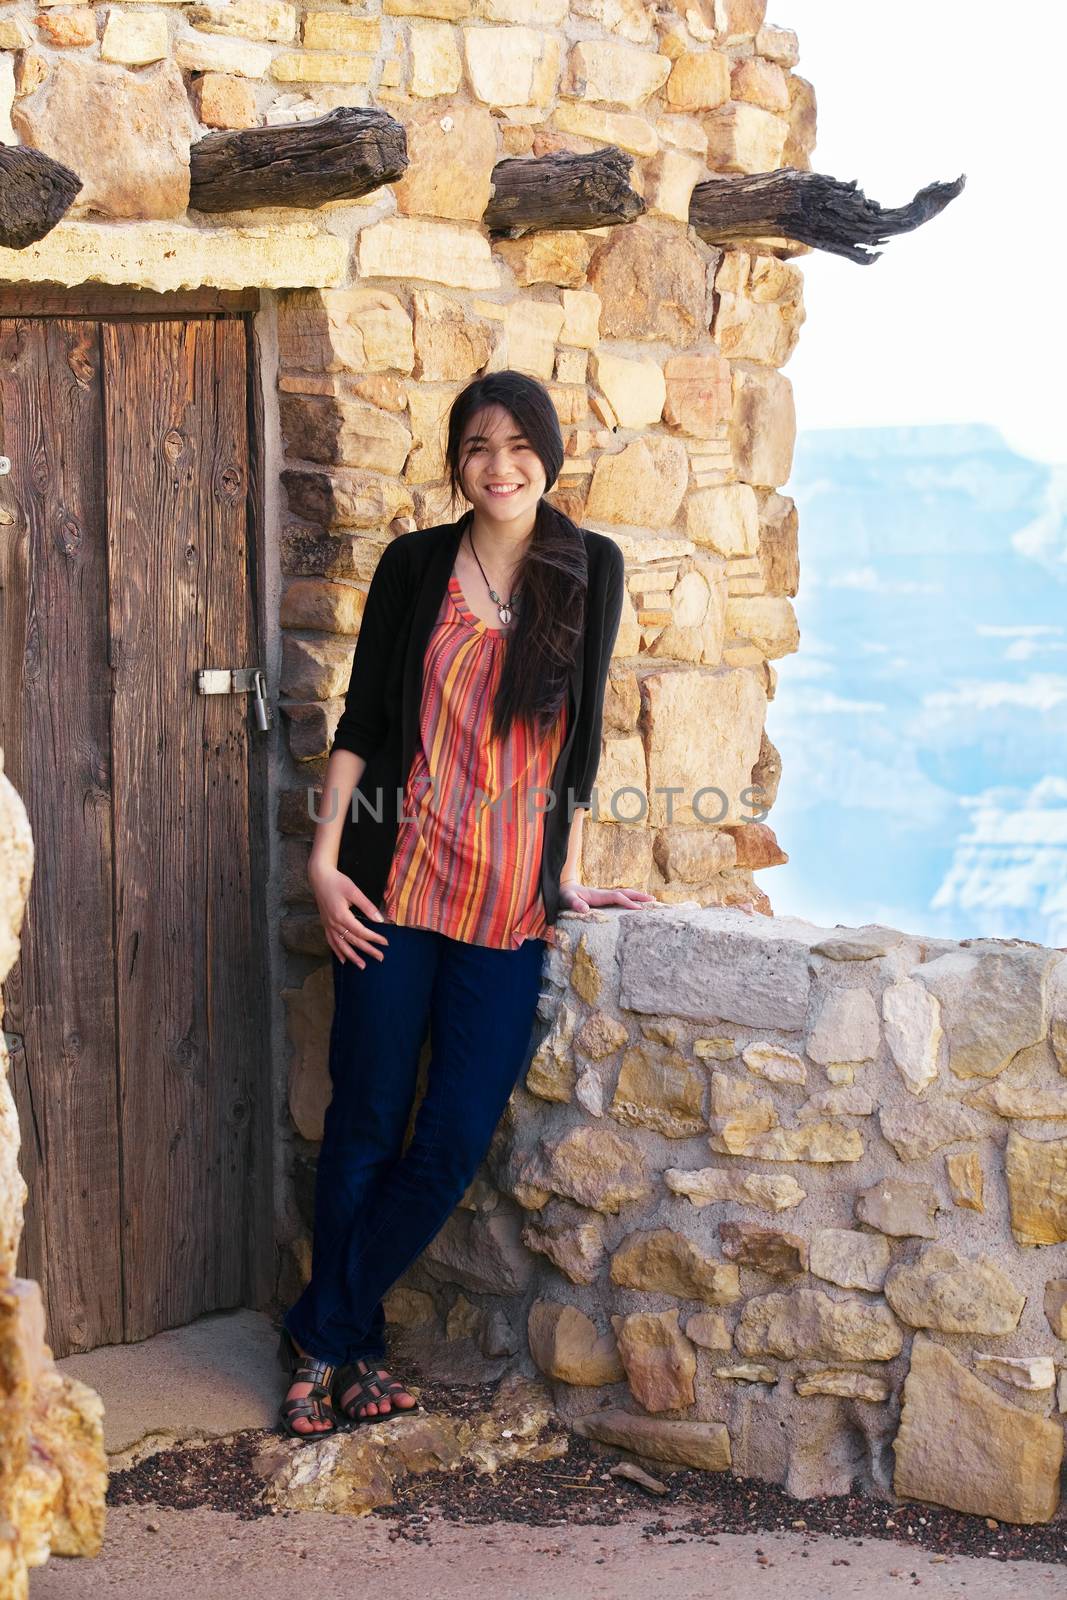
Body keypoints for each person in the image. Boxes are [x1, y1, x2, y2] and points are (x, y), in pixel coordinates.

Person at [277, 369, 656, 1438]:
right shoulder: (413, 566)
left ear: (548, 452)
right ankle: (342, 1359)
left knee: (448, 1139)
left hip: (503, 911)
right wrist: (320, 858)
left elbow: (576, 744)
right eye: (478, 446)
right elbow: (362, 720)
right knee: (362, 1122)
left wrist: (566, 871)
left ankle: (320, 1327)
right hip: (392, 889)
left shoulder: (589, 569)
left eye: (517, 443)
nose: (499, 465)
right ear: (457, 461)